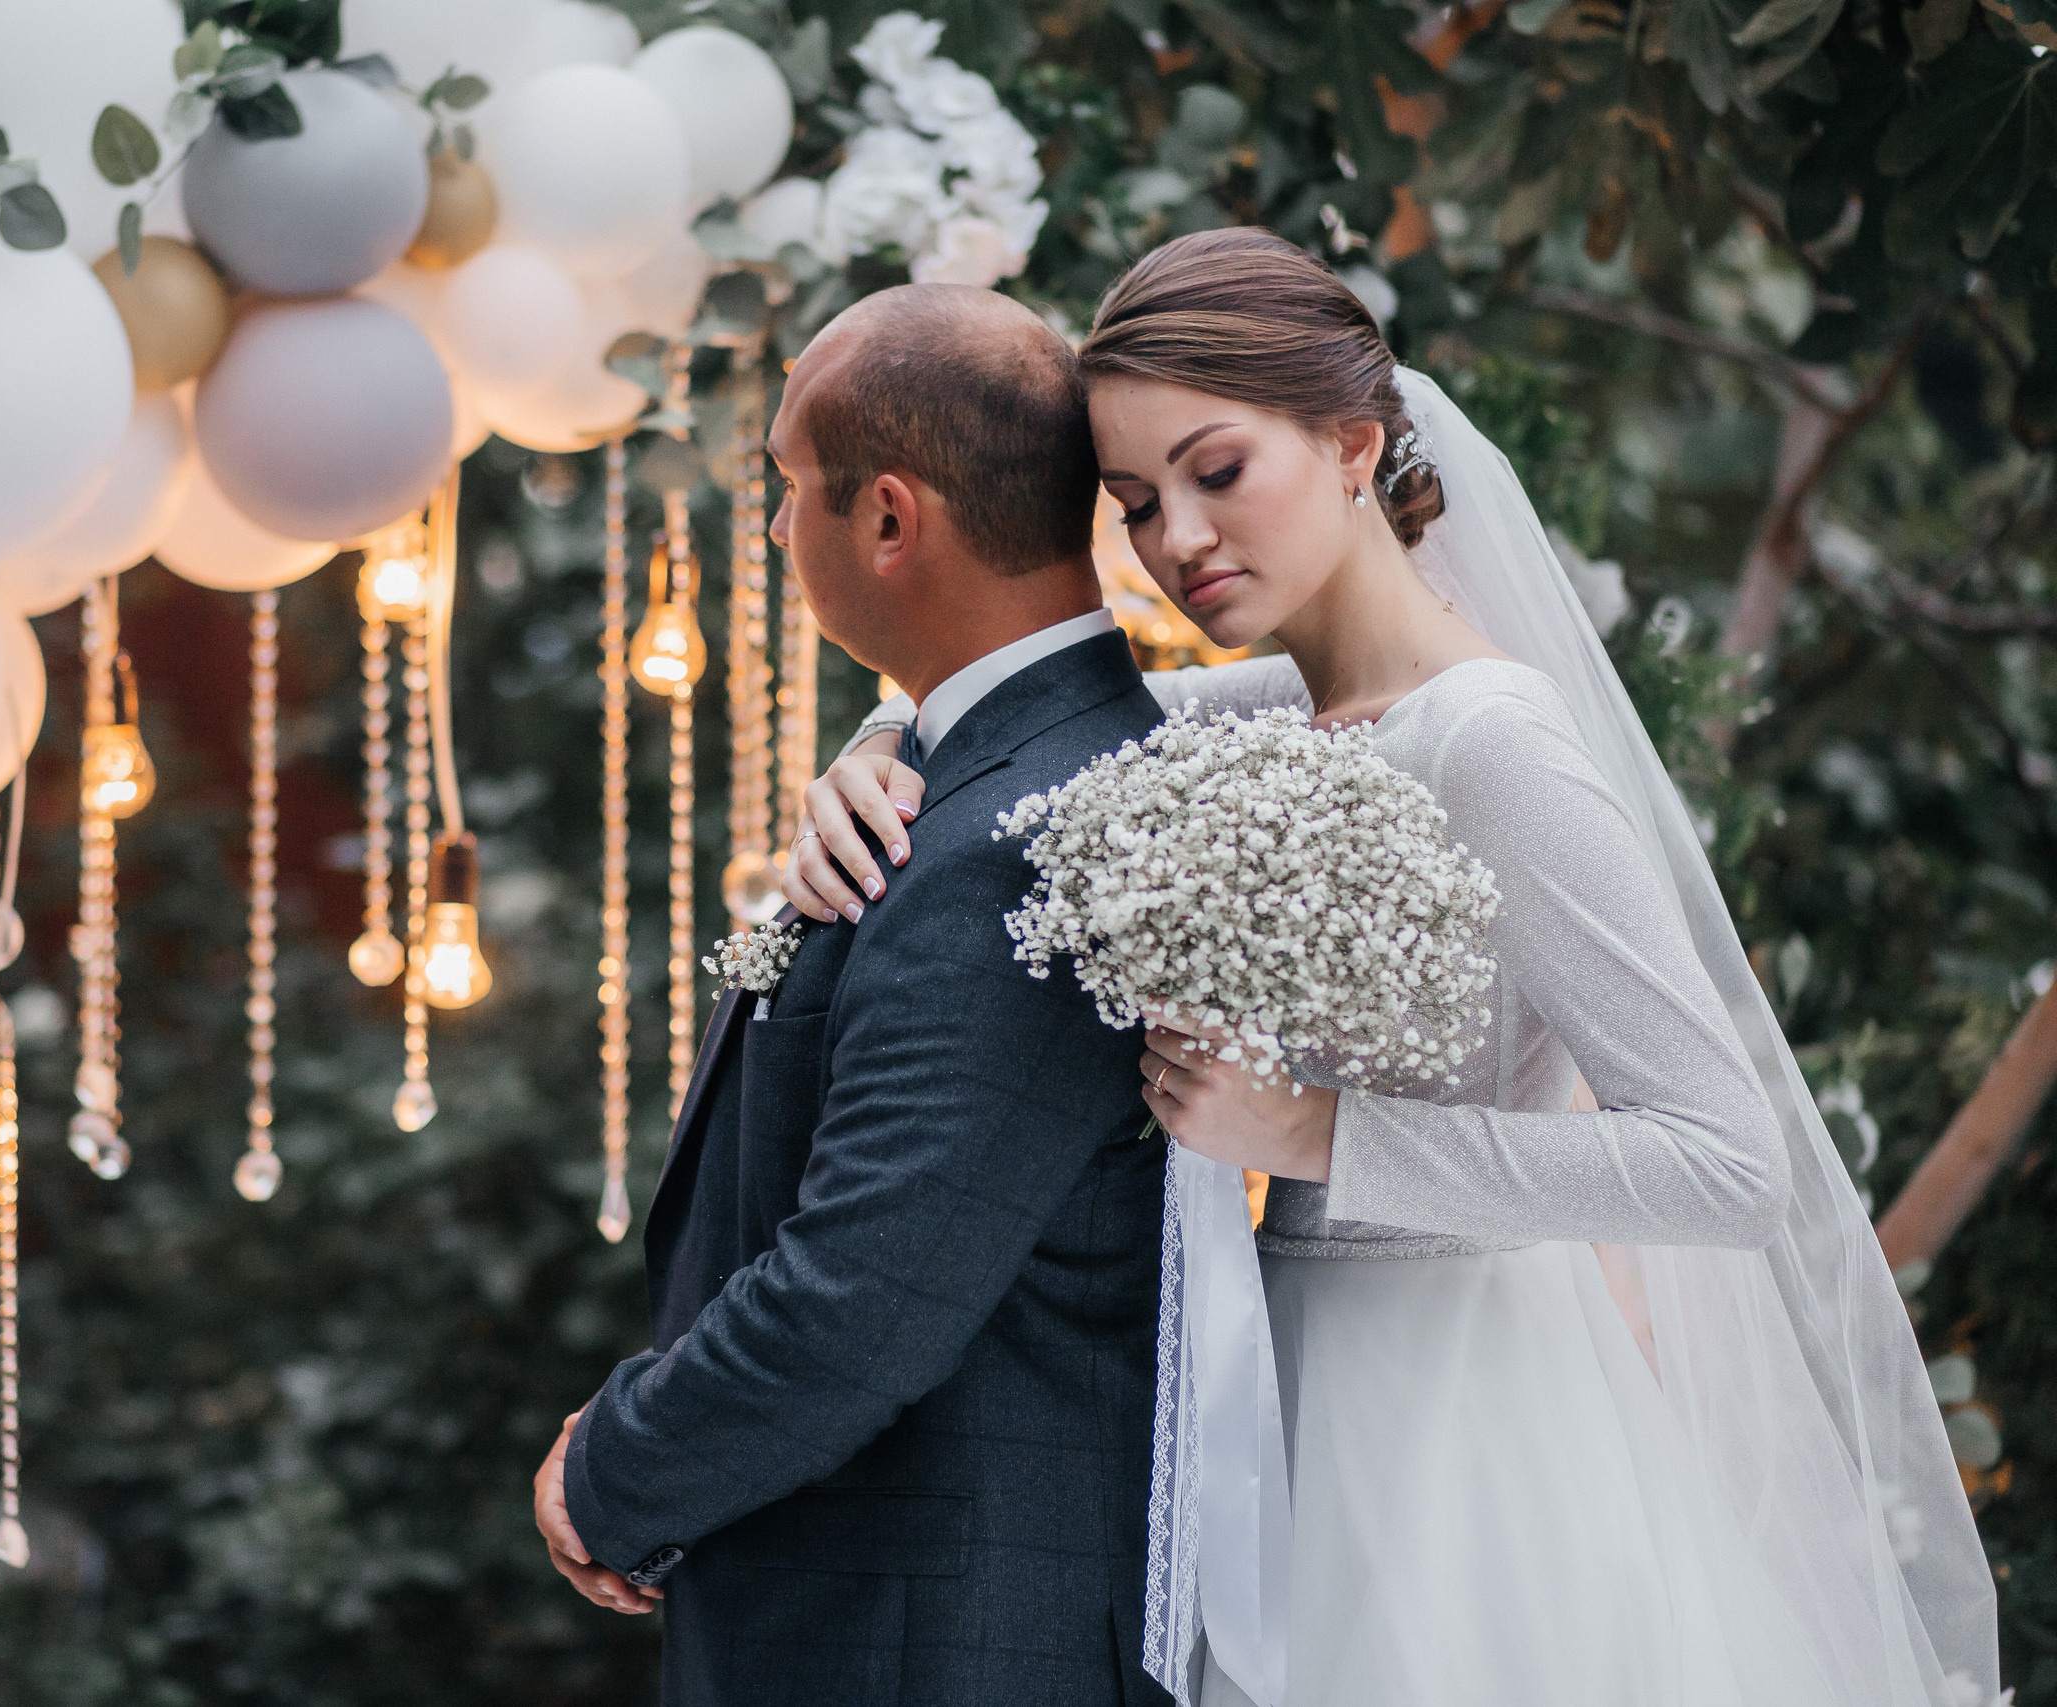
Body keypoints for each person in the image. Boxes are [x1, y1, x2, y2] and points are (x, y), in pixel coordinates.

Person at [784, 229, 1999, 1707]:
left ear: (1354, 443)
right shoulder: (1268, 712)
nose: (1175, 538)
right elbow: (1019, 731)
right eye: (1135, 502)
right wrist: (870, 754)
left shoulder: (1491, 741)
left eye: (1215, 471)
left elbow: (1727, 1163)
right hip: (1268, 1393)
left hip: (1465, 1420)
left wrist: (1311, 1134)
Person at [531, 283, 1177, 1705]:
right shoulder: (977, 775)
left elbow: (863, 1295)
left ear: (889, 518)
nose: (771, 531)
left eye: (783, 489)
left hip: (930, 1646)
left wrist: (611, 1467)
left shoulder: (1024, 837)